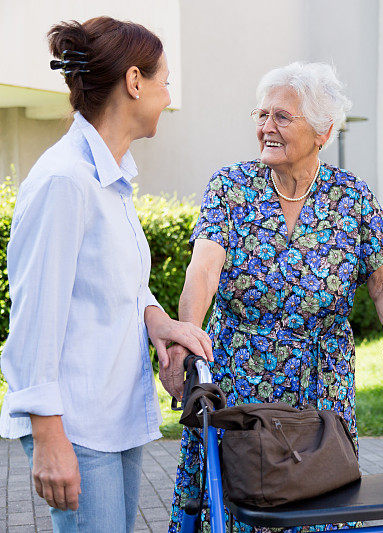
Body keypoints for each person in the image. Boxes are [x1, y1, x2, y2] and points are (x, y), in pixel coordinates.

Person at [164, 61, 383, 532]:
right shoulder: (231, 186)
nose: (266, 127)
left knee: (320, 501)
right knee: (236, 502)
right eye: (261, 115)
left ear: (323, 130)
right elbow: (203, 272)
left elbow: (382, 282)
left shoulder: (353, 197)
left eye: (282, 116)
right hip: (240, 381)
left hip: (321, 387)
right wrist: (187, 335)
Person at [0, 17, 213, 533]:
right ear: (134, 81)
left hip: (112, 415)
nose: (167, 94)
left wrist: (160, 322)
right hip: (77, 424)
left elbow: (120, 283)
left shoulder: (111, 177)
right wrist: (48, 437)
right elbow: (35, 318)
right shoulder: (65, 181)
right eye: (164, 79)